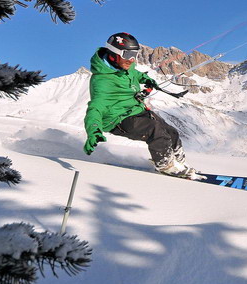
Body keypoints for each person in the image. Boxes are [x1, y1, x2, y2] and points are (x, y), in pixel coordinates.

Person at [82, 32, 196, 178]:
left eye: (134, 54)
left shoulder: (125, 66)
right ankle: (166, 165)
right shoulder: (102, 81)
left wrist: (146, 79)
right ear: (113, 53)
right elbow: (95, 109)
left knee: (171, 132)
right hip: (118, 119)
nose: (131, 59)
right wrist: (93, 131)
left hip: (137, 110)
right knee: (156, 131)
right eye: (127, 54)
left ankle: (180, 163)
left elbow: (135, 74)